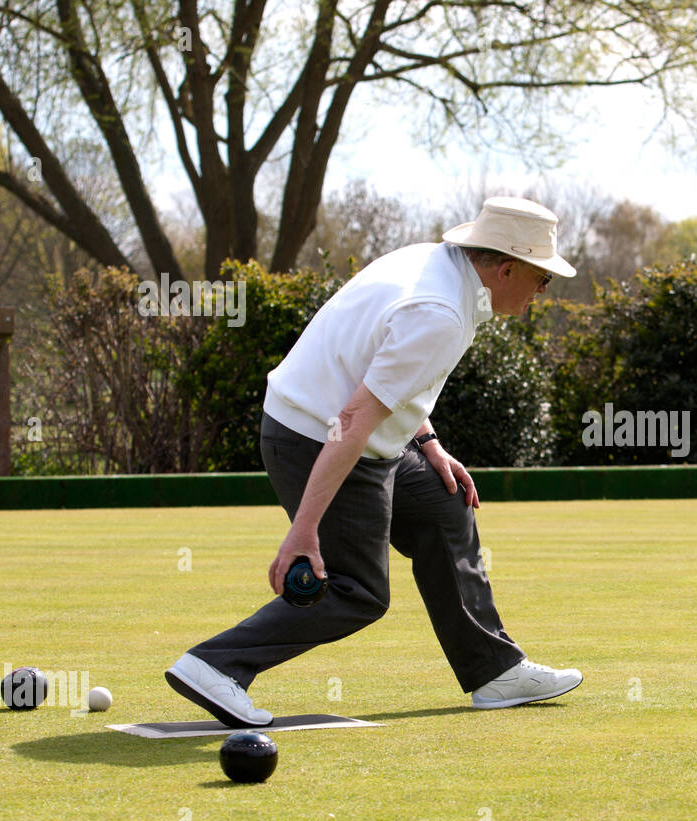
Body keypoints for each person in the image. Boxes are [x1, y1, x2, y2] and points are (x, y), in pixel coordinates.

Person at [165, 196, 583, 727]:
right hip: (319, 438)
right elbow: (355, 416)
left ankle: (493, 671)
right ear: (506, 269)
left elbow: (383, 374)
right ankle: (215, 665)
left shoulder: (436, 266)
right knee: (357, 590)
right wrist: (304, 528)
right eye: (541, 280)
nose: (541, 294)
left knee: (442, 504)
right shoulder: (441, 312)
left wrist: (429, 444)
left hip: (339, 430)